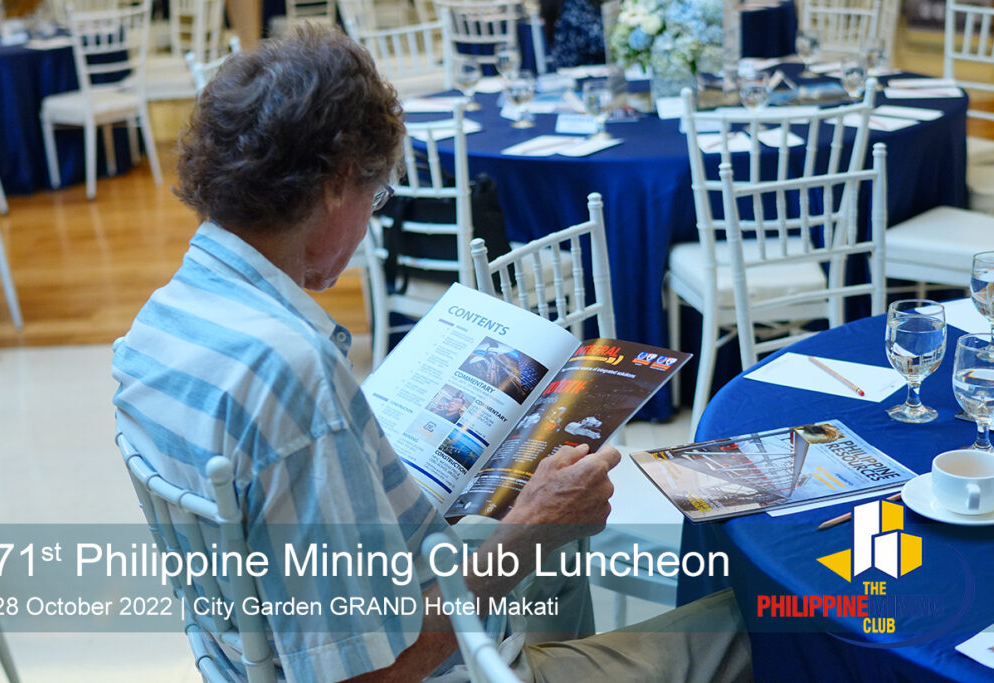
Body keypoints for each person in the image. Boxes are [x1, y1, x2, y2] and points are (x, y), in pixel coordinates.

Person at [112, 26, 751, 682]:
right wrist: (529, 529)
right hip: (433, 665)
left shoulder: (159, 322)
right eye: (374, 197)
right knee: (760, 620)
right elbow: (368, 674)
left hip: (251, 656)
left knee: (551, 543)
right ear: (337, 183)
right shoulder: (292, 370)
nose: (368, 222)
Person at [540, 0, 607, 69]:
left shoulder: (580, 6)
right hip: (573, 68)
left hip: (583, 67)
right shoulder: (576, 7)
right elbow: (597, 44)